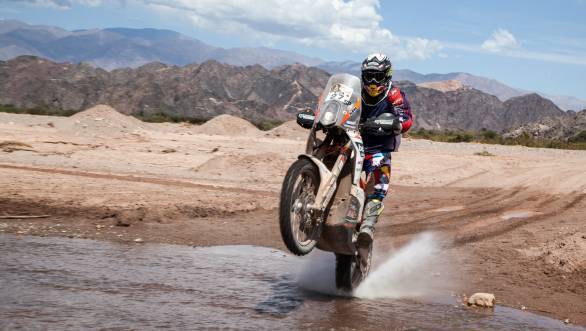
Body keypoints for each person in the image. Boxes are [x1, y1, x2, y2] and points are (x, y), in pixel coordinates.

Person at [357, 52, 413, 247]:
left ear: (387, 76)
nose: (372, 81)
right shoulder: (355, 90)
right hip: (352, 139)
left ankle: (368, 227)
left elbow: (406, 118)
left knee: (380, 184)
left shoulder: (394, 94)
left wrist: (393, 122)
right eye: (369, 75)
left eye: (378, 76)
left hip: (378, 146)